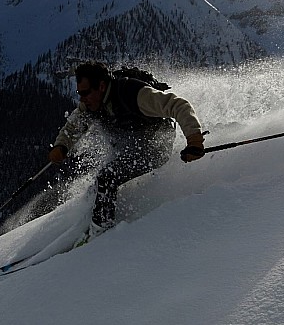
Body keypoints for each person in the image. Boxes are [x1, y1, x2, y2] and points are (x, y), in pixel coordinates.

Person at [48, 61, 206, 240]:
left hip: (157, 147)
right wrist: (61, 146)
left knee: (108, 177)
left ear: (101, 86)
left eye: (85, 93)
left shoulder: (133, 94)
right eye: (79, 93)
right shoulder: (91, 104)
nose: (82, 99)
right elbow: (73, 128)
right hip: (133, 145)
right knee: (99, 186)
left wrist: (194, 140)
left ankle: (100, 233)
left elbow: (178, 105)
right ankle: (95, 219)